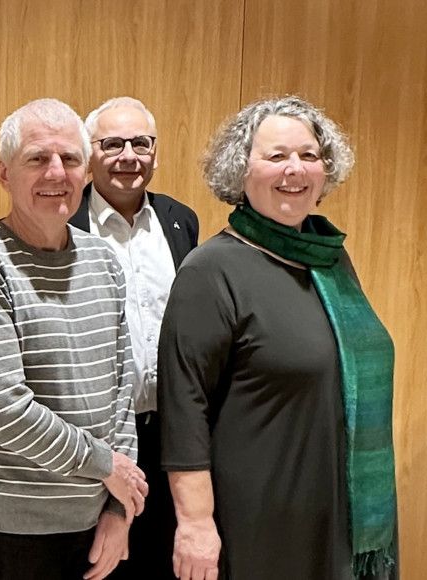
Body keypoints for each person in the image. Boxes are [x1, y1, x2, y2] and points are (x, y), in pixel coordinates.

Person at [159, 95, 398, 580]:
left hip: (341, 510)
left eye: (309, 155)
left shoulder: (329, 259)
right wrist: (195, 524)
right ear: (239, 171)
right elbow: (184, 408)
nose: (295, 169)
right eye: (277, 156)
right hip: (261, 518)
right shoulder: (211, 270)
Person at [0, 98, 148, 580]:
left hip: (101, 518)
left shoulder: (103, 261)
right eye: (37, 158)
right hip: (12, 535)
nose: (57, 172)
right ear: (4, 173)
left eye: (70, 159)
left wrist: (120, 509)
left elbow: (122, 390)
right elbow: (8, 413)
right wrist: (106, 468)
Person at [69, 96, 199, 579]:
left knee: (161, 561)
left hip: (170, 431)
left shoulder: (180, 220)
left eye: (140, 143)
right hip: (96, 437)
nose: (128, 155)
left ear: (155, 152)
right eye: (112, 143)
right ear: (90, 154)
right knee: (100, 563)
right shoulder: (65, 223)